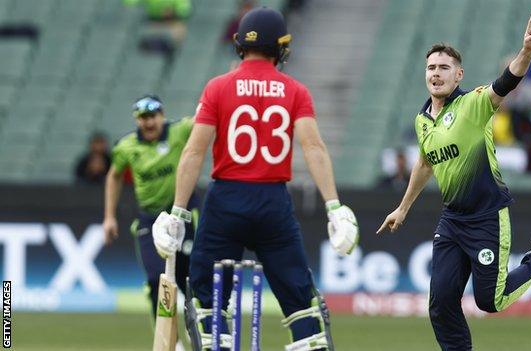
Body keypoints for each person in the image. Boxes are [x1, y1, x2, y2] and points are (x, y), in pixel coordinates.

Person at [151, 7, 358, 351]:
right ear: (279, 47)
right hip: (273, 203)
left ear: (240, 45)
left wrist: (177, 212)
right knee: (299, 297)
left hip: (225, 203)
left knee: (208, 300)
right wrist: (333, 206)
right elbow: (313, 146)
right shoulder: (294, 90)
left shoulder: (218, 87)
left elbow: (193, 152)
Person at [377, 14, 531, 351]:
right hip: (453, 220)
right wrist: (402, 207)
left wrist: (526, 52)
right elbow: (425, 162)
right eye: (431, 68)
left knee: (490, 302)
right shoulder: (422, 119)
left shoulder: (473, 104)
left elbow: (507, 81)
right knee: (440, 303)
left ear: (459, 75)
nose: (436, 73)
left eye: (443, 67)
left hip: (487, 217)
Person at [102, 95, 197, 349]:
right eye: (143, 118)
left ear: (162, 116)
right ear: (137, 120)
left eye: (152, 116)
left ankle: (196, 331)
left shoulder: (180, 131)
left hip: (182, 213)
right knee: (157, 280)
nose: (149, 123)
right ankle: (171, 343)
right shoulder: (126, 146)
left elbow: (206, 119)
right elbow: (114, 176)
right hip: (150, 219)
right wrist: (109, 217)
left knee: (191, 278)